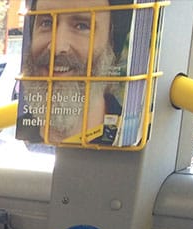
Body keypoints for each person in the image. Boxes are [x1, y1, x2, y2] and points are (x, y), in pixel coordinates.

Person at [19, 0, 131, 145]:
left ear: (112, 44)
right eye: (46, 23)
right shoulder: (15, 140)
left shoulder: (134, 139)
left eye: (81, 26)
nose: (57, 47)